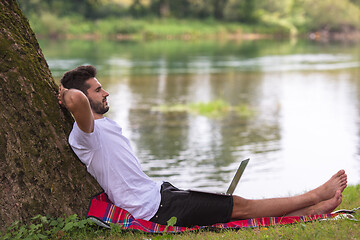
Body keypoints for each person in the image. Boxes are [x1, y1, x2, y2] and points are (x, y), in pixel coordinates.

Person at [58, 65, 348, 227]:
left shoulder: (104, 127)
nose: (106, 91)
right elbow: (75, 101)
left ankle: (315, 210)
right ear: (84, 96)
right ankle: (314, 196)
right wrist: (65, 91)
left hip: (161, 194)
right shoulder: (85, 135)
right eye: (98, 89)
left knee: (232, 209)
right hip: (155, 208)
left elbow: (81, 100)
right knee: (241, 207)